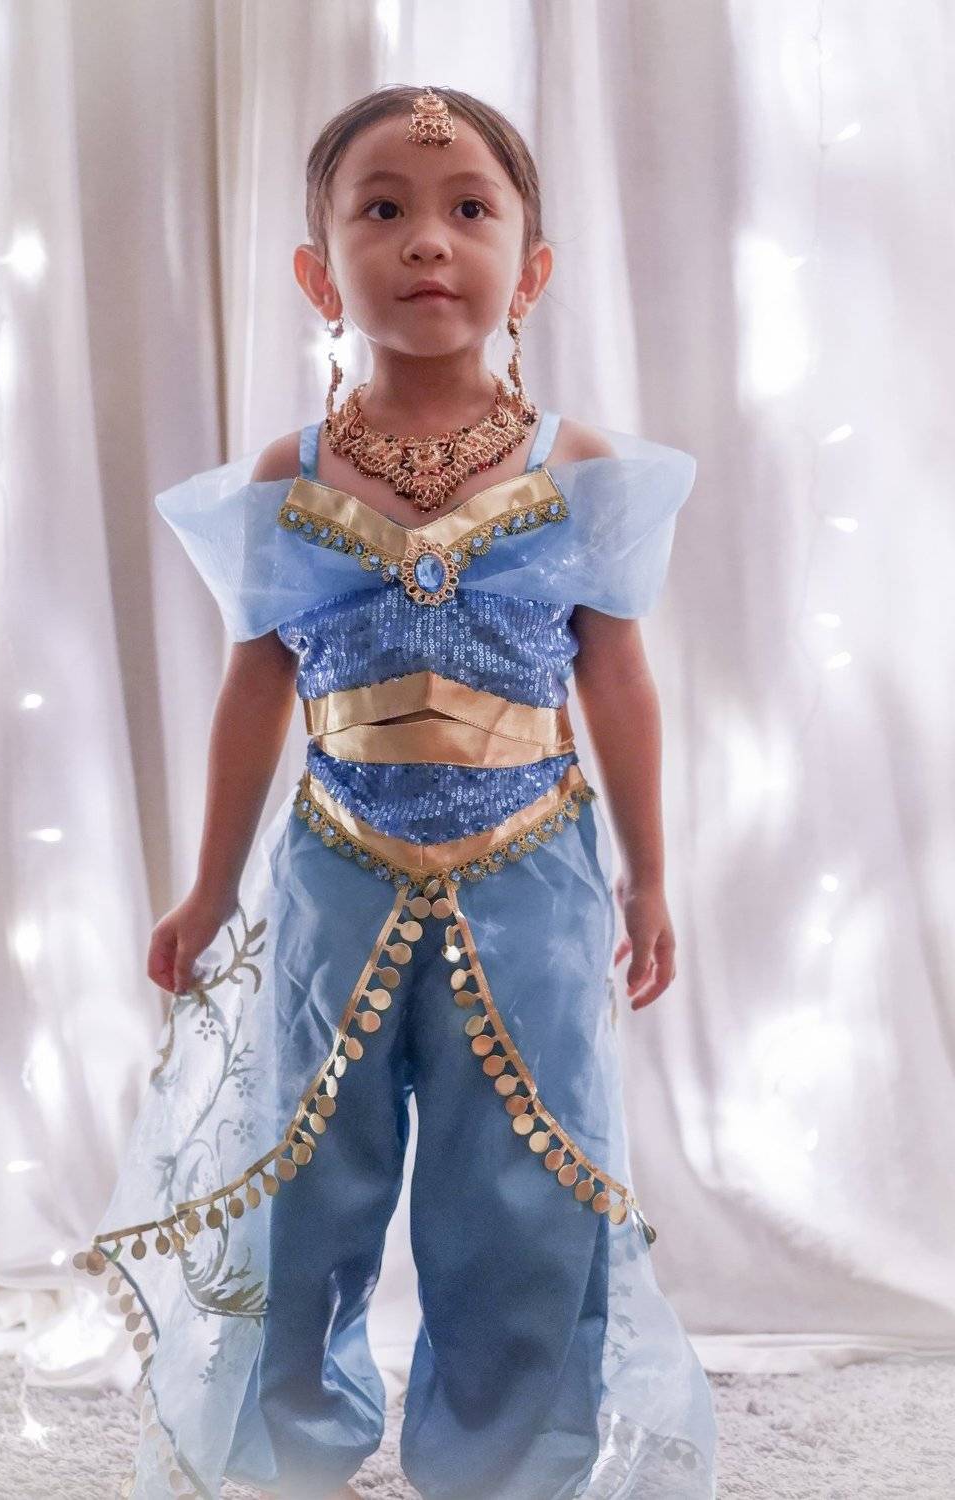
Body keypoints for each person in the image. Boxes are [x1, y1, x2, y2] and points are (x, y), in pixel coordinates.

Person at [73, 84, 717, 1500]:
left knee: (525, 1182)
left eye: (470, 210)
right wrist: (209, 887)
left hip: (535, 871)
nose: (429, 240)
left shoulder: (580, 473)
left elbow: (618, 682)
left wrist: (651, 874)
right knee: (312, 1172)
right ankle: (292, 1453)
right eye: (384, 210)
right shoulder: (291, 474)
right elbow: (255, 689)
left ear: (529, 272)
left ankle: (505, 1463)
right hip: (336, 870)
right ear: (321, 275)